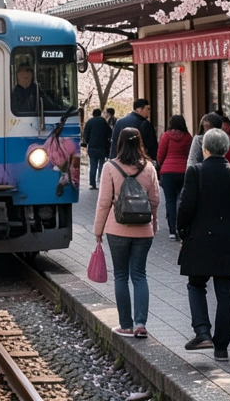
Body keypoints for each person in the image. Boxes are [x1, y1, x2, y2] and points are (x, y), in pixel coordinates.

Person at [178, 128, 230, 362]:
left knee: (195, 284)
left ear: (206, 149)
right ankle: (221, 347)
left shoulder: (195, 172)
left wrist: (181, 231)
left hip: (200, 238)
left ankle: (202, 331)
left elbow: (186, 206)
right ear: (227, 149)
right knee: (225, 292)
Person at [92, 126, 160, 338]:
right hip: (143, 230)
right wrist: (154, 225)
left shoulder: (110, 167)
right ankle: (141, 324)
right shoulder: (149, 167)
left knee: (121, 275)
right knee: (139, 275)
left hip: (117, 228)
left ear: (119, 143)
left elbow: (104, 202)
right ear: (139, 143)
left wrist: (98, 230)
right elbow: (155, 200)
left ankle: (126, 325)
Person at [156, 115, 191, 240]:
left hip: (168, 171)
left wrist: (160, 166)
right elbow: (189, 153)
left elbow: (160, 154)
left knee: (170, 201)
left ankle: (172, 230)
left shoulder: (166, 136)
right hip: (183, 171)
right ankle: (180, 227)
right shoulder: (188, 137)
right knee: (180, 200)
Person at [83, 108, 112, 190]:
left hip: (92, 147)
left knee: (93, 166)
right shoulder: (103, 121)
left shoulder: (89, 122)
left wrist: (88, 142)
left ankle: (92, 184)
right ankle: (101, 182)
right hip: (102, 147)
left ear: (93, 114)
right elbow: (109, 133)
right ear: (100, 114)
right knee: (101, 165)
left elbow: (86, 134)